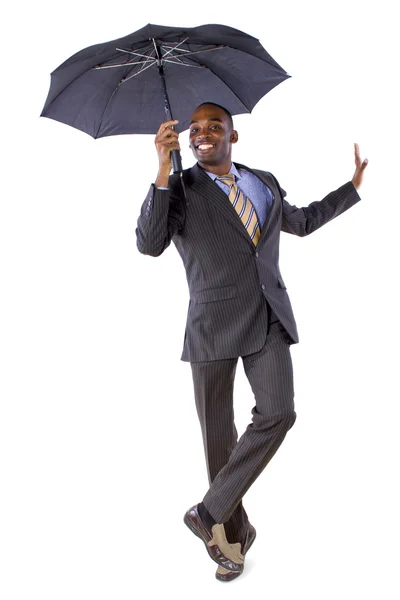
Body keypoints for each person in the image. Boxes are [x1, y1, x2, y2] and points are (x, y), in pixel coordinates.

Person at [135, 102, 368, 582]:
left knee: (279, 412)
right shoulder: (178, 188)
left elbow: (300, 222)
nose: (202, 134)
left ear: (232, 136)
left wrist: (352, 188)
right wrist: (161, 171)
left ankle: (207, 512)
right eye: (195, 129)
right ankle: (235, 538)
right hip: (212, 323)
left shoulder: (262, 180)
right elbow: (149, 241)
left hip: (267, 317)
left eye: (213, 127)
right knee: (219, 440)